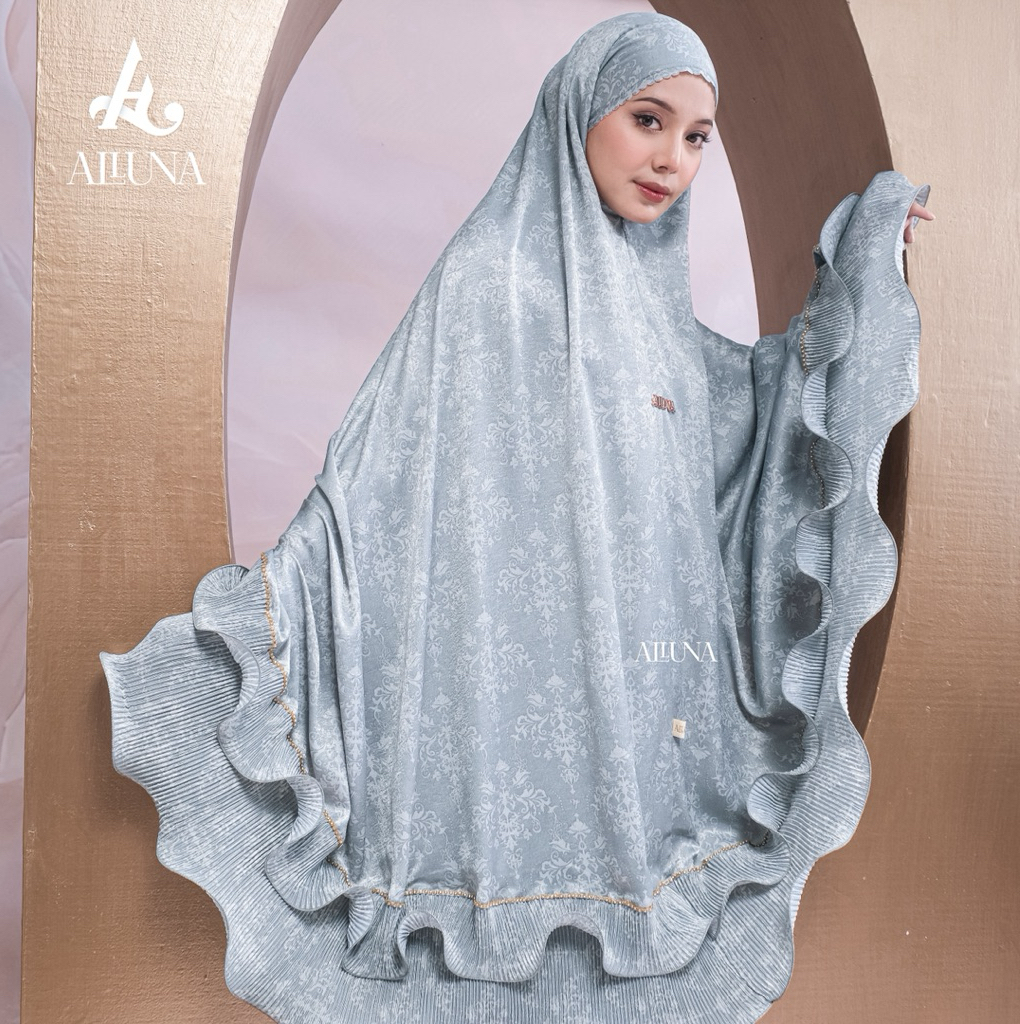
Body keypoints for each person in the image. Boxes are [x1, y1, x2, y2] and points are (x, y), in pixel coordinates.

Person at [101, 12, 931, 1024]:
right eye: (647, 119)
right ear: (579, 111)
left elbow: (749, 416)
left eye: (696, 136)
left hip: (634, 703)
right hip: (499, 686)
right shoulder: (486, 282)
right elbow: (387, 475)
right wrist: (290, 604)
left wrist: (866, 255)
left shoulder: (651, 310)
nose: (671, 159)